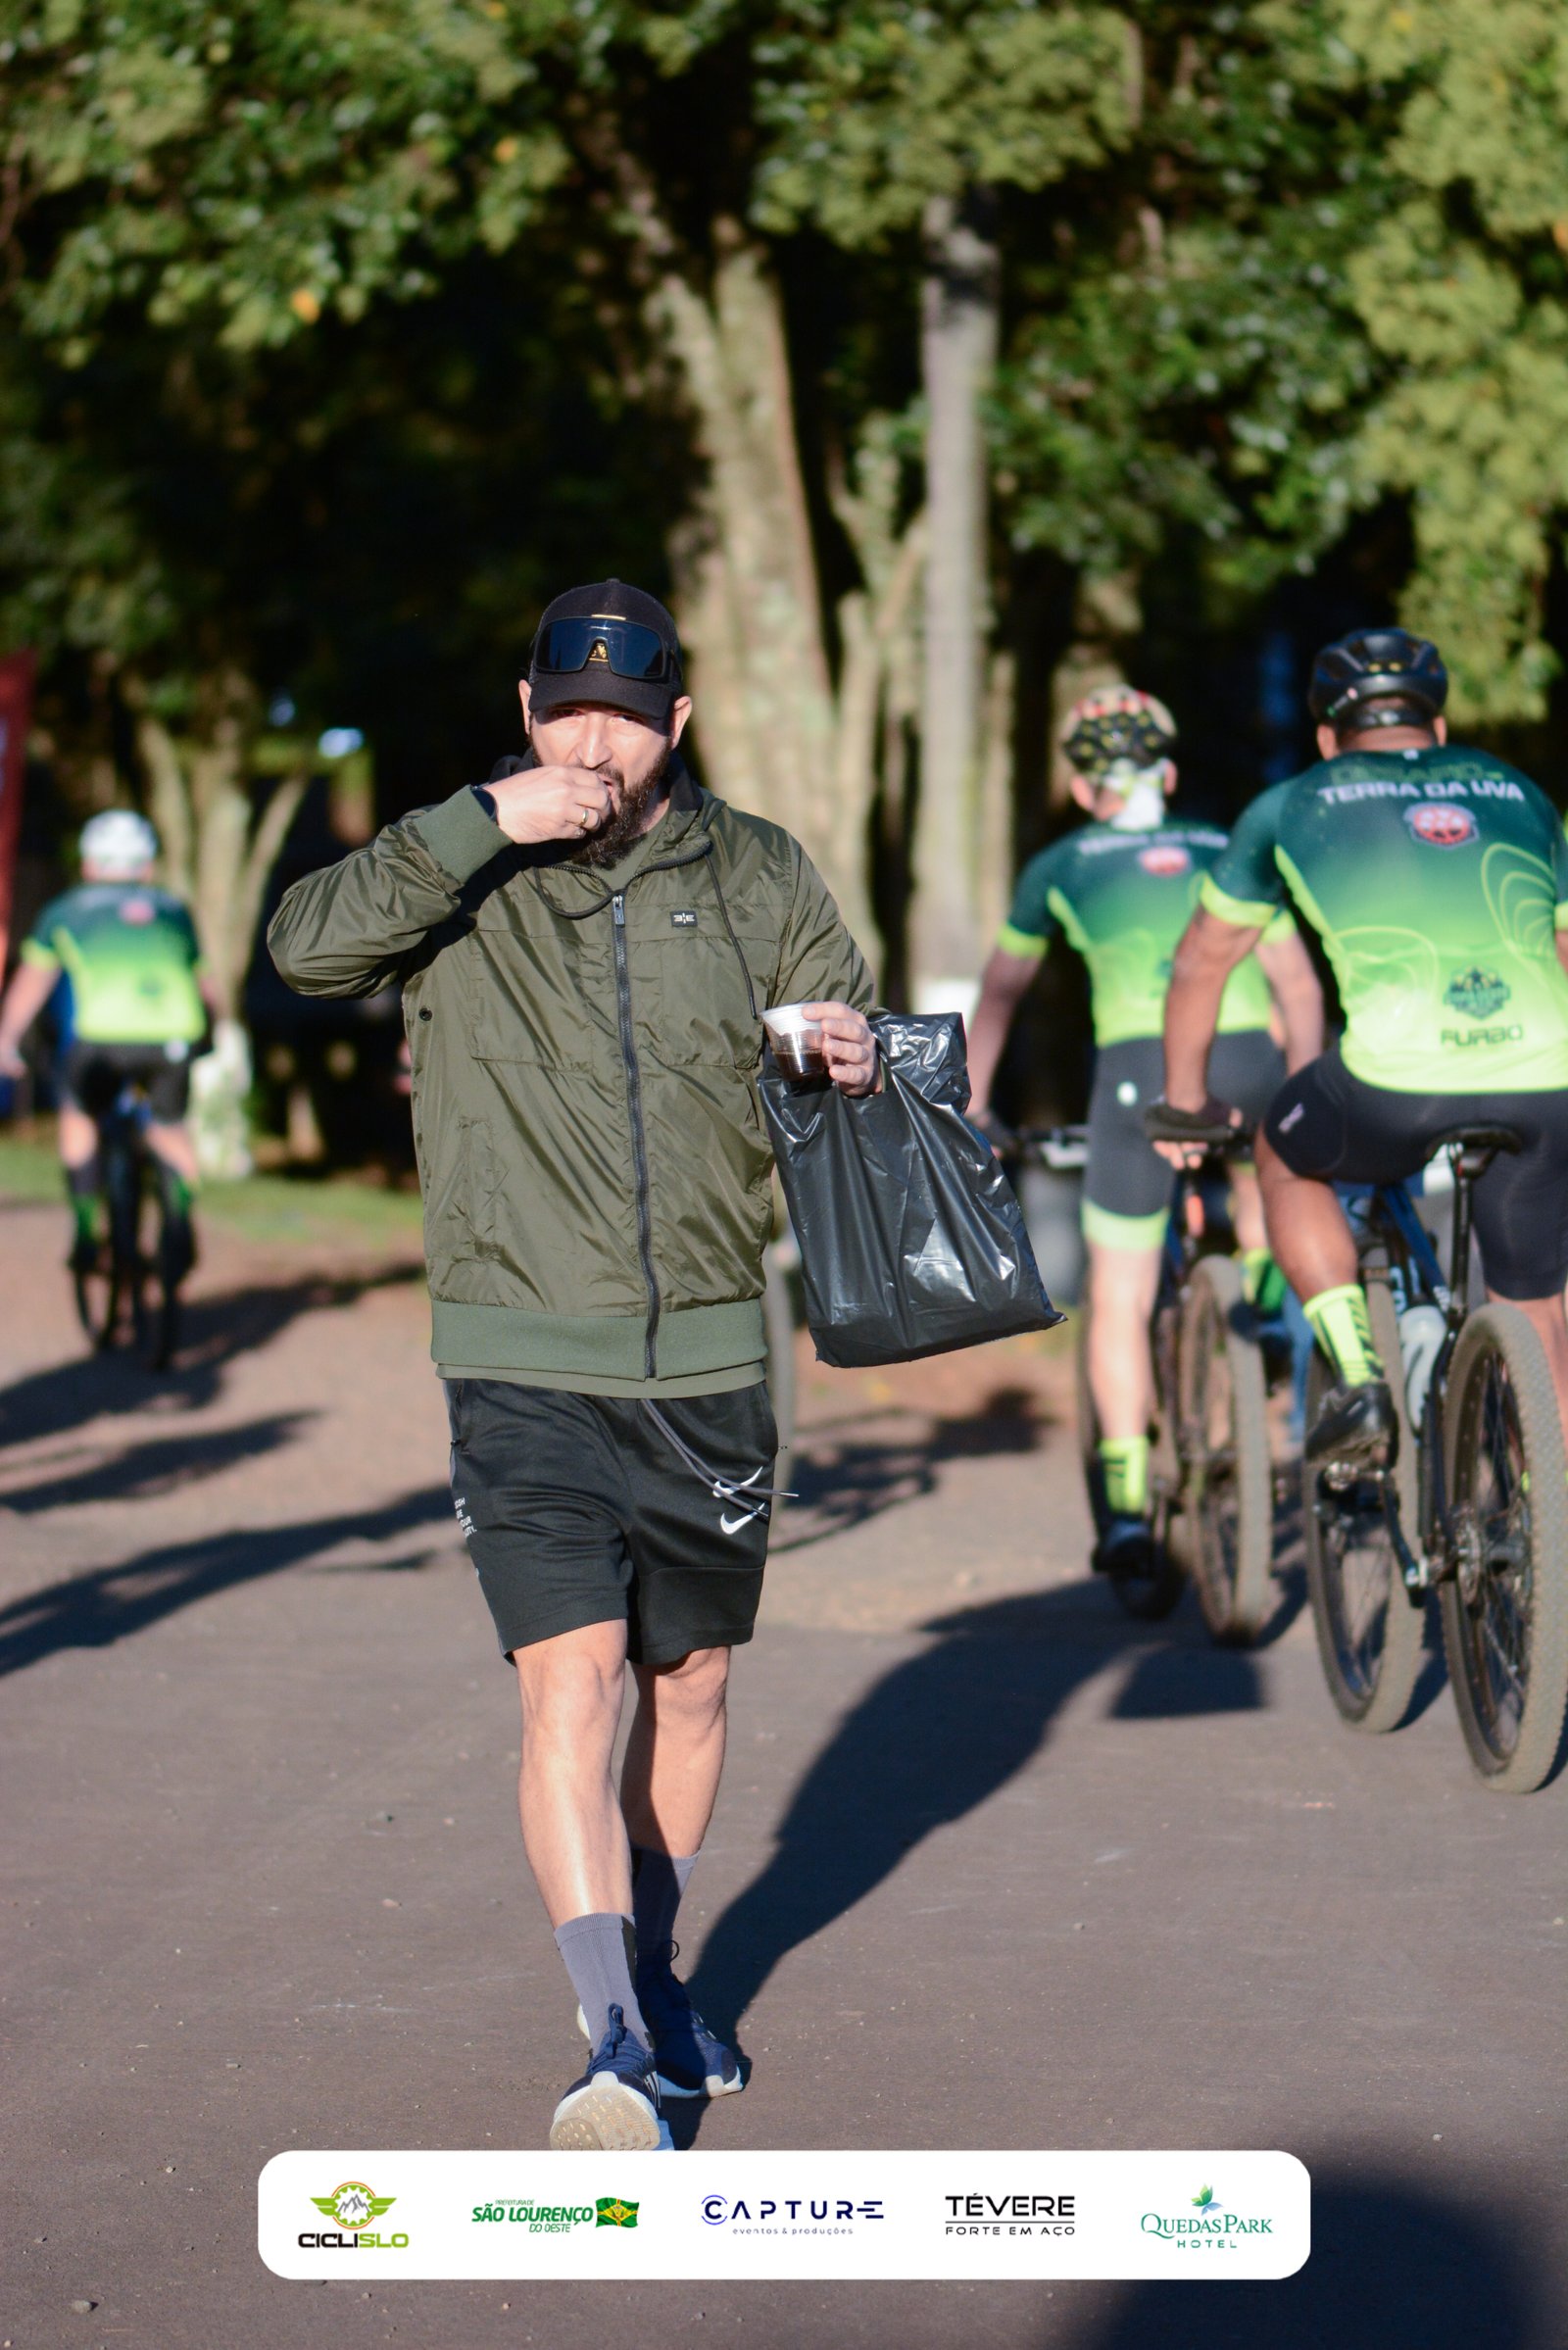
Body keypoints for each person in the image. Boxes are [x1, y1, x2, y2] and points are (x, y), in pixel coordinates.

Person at [268, 579, 878, 2152]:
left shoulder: (755, 867)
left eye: (628, 715)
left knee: (693, 1682)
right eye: (569, 712)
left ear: (679, 721)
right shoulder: (454, 864)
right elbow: (304, 950)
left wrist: (846, 1047)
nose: (596, 745)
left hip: (713, 1348)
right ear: (526, 714)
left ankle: (659, 1975)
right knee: (574, 1676)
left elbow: (842, 1015)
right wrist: (479, 822)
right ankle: (610, 2041)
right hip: (519, 1344)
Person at [1156, 625, 1568, 1461]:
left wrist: (1186, 1099)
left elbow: (1202, 961)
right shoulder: (1520, 792)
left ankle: (1358, 1377)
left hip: (1396, 1081)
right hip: (1546, 1071)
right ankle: (1545, 1508)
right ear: (1437, 726)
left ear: (1325, 738)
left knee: (1284, 1153)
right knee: (1539, 1313)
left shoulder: (1290, 803)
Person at [967, 685, 1322, 1573]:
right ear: (1167, 774)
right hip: (1250, 1058)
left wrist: (969, 1104)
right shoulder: (1227, 848)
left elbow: (1000, 995)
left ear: (1081, 787)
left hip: (1138, 1073)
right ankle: (1262, 1303)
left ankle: (1125, 1508)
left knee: (1120, 1291)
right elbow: (1294, 983)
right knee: (1258, 1175)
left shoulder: (1059, 865)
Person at [0, 809, 210, 1273]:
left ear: (88, 864)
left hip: (101, 1039)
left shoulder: (66, 911)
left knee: (79, 1114)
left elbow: (32, 983)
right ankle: (179, 1220)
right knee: (169, 1127)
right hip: (173, 1037)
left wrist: (6, 1038)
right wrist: (220, 1036)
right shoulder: (174, 910)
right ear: (147, 867)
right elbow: (205, 987)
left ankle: (85, 1229)